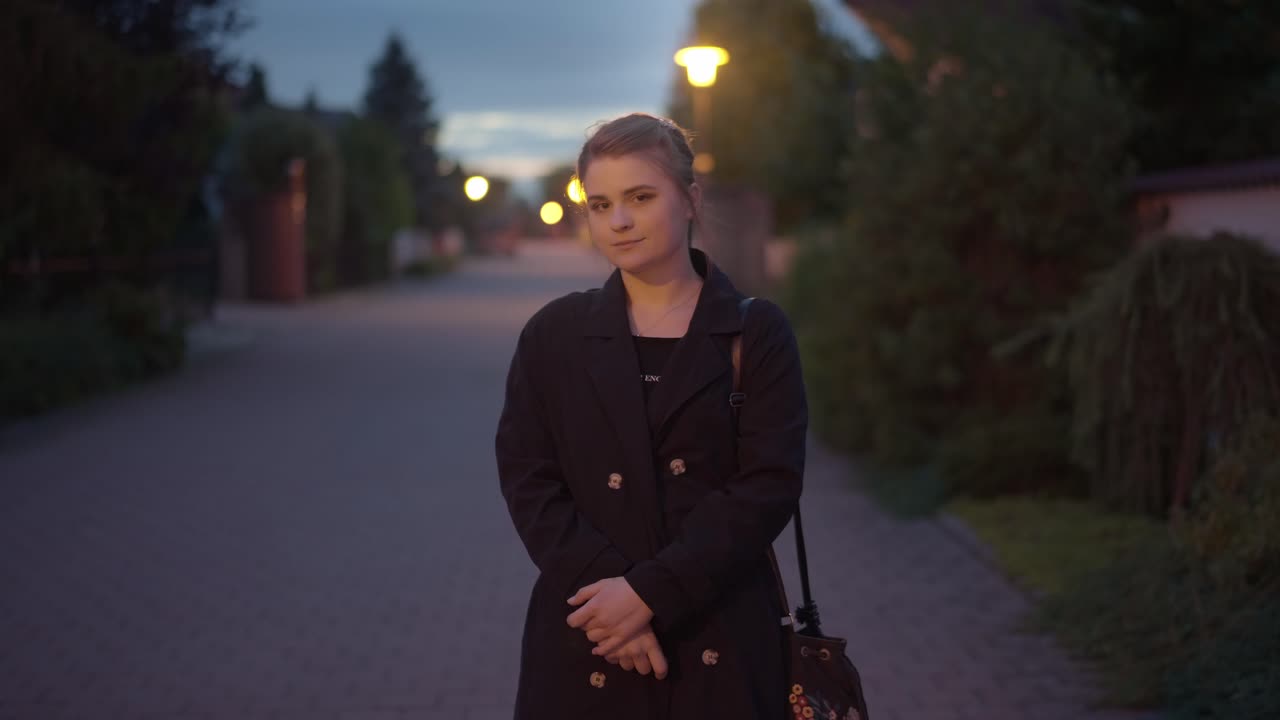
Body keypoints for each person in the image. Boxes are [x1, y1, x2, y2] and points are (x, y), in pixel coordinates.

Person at [495, 112, 808, 719]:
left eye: (640, 197)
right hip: (588, 632)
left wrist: (649, 594)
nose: (619, 220)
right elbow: (528, 477)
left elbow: (768, 484)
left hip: (717, 632)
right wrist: (614, 605)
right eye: (600, 204)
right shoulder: (555, 334)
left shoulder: (754, 332)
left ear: (690, 199)